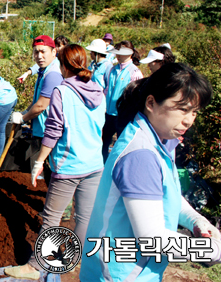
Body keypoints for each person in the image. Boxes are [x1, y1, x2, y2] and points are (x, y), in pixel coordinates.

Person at [80, 63, 221, 281]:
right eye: (182, 109)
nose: (189, 120)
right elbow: (152, 239)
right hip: (120, 275)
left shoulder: (160, 139)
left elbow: (168, 194)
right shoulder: (141, 155)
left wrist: (195, 219)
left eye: (194, 112)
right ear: (151, 103)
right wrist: (211, 251)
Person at [4, 44, 106, 280]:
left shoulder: (62, 91)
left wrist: (40, 161)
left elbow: (53, 131)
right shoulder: (98, 89)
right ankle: (73, 259)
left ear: (62, 66)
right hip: (94, 163)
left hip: (69, 165)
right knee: (84, 217)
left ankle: (35, 267)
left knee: (51, 217)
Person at [11, 35, 63, 178]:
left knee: (55, 170)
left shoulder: (52, 74)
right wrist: (26, 111)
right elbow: (38, 100)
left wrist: (23, 118)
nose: (39, 56)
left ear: (53, 52)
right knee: (49, 169)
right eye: (36, 52)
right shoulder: (44, 70)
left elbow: (41, 106)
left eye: (43, 51)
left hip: (51, 130)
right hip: (44, 128)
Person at [102, 40, 143, 161]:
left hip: (123, 115)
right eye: (116, 53)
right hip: (109, 113)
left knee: (121, 143)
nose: (117, 56)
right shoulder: (112, 70)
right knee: (105, 142)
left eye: (120, 53)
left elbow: (136, 97)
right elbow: (107, 89)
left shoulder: (135, 72)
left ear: (130, 54)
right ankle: (104, 165)